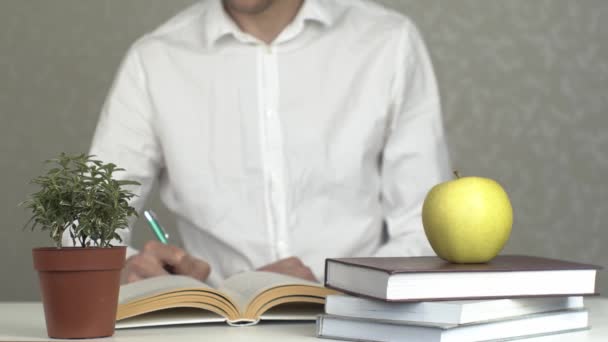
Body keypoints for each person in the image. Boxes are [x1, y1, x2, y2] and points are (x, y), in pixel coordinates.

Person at [81, 0, 452, 286]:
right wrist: (132, 270)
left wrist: (329, 291)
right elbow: (84, 225)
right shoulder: (155, 59)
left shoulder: (388, 41)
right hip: (212, 331)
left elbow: (425, 230)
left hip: (357, 326)